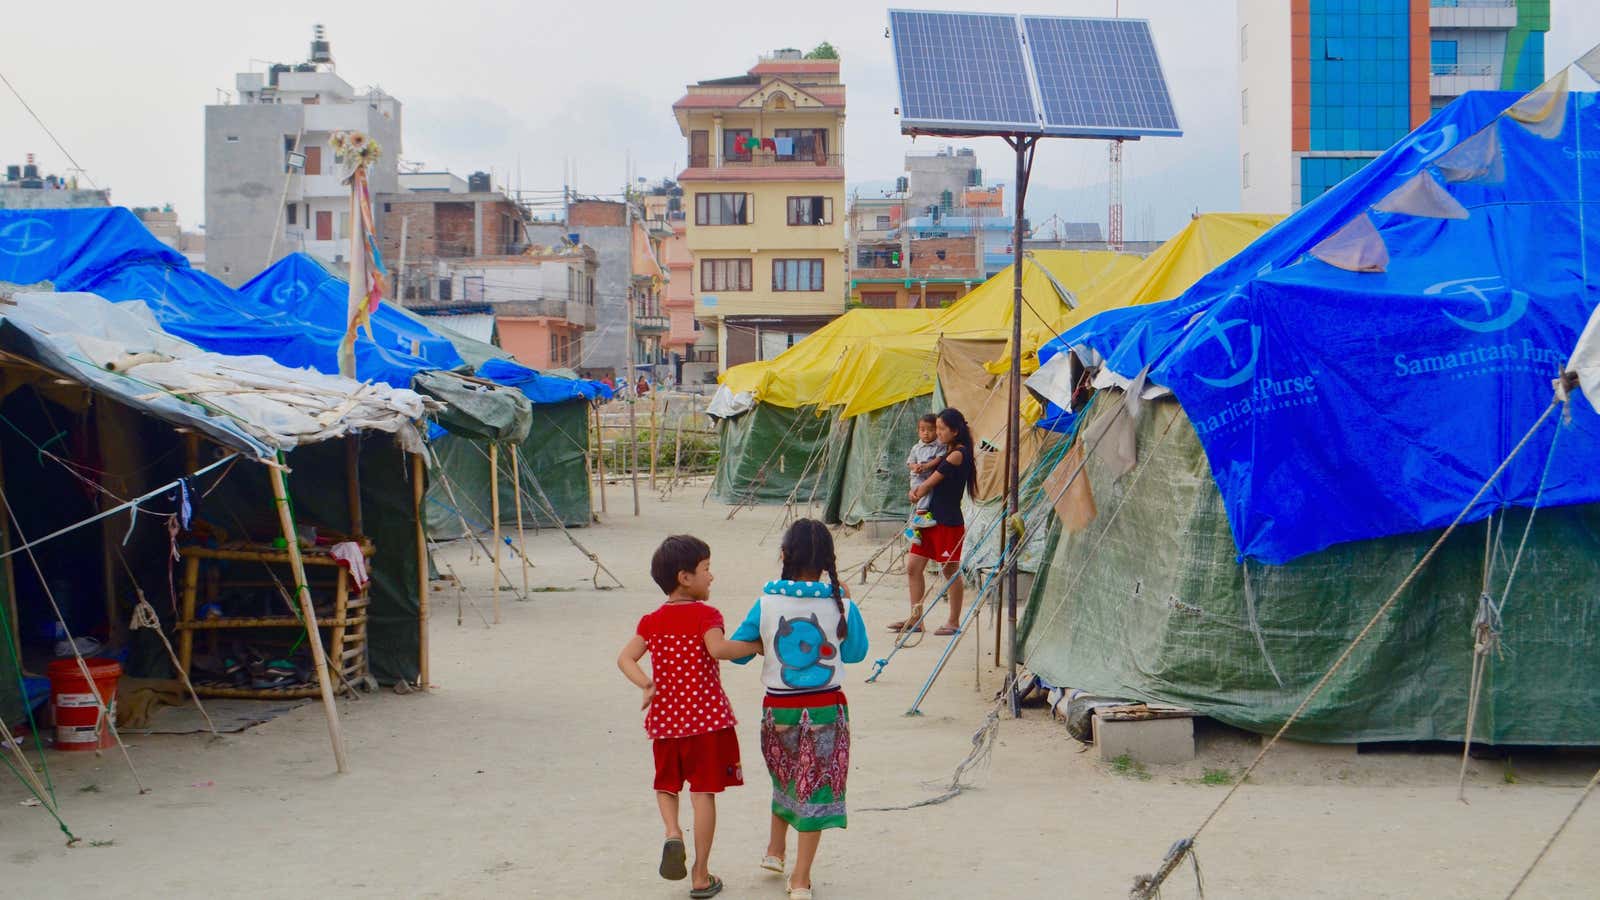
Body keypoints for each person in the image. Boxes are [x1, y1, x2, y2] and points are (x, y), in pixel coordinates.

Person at [729, 519, 867, 900]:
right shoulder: (842, 602)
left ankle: (775, 851)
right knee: (816, 790)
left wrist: (762, 643)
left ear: (784, 556)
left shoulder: (767, 601)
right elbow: (855, 654)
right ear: (827, 559)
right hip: (825, 712)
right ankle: (800, 879)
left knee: (787, 778)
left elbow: (738, 655)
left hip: (778, 711)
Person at [617, 535, 759, 899]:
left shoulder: (651, 621)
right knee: (703, 795)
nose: (711, 577)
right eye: (706, 570)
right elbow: (720, 649)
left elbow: (624, 659)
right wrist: (757, 645)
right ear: (685, 577)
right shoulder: (706, 615)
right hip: (706, 723)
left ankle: (672, 833)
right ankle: (700, 874)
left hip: (666, 722)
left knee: (666, 786)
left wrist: (646, 685)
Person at [891, 407, 976, 637]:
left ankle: (953, 620)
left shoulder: (958, 453)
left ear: (955, 431)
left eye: (941, 428)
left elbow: (932, 481)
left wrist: (916, 491)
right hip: (928, 518)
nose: (937, 432)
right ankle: (916, 618)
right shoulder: (944, 449)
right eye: (935, 428)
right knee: (913, 567)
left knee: (949, 570)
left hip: (947, 521)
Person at [903, 413, 946, 544]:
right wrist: (915, 467)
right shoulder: (916, 448)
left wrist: (927, 465)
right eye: (922, 430)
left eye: (930, 430)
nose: (926, 433)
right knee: (924, 494)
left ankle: (911, 531)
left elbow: (939, 459)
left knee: (922, 498)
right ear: (918, 431)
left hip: (929, 476)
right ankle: (919, 518)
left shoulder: (939, 445)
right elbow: (909, 462)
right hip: (918, 477)